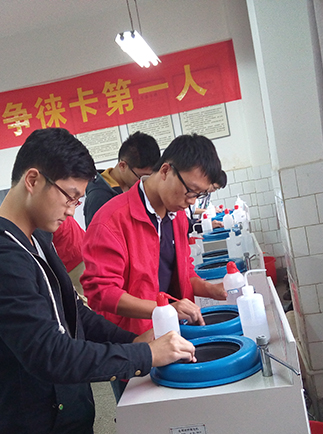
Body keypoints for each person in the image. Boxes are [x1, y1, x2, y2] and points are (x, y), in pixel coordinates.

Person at [0, 128, 195, 434]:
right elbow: (50, 354)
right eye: (70, 196)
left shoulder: (36, 240)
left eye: (79, 198)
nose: (73, 208)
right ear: (33, 180)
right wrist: (145, 355)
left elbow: (76, 314)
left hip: (67, 420)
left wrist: (134, 341)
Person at [81, 134, 228, 397]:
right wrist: (164, 310)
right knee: (147, 412)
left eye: (200, 194)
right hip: (135, 344)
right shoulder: (111, 219)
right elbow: (102, 292)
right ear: (166, 170)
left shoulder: (177, 216)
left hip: (176, 336)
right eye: (190, 190)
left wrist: (213, 289)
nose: (192, 201)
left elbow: (183, 271)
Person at [83, 131, 161, 227]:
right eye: (141, 177)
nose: (145, 182)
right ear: (122, 166)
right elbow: (95, 234)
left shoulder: (136, 186)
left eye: (150, 177)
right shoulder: (98, 197)